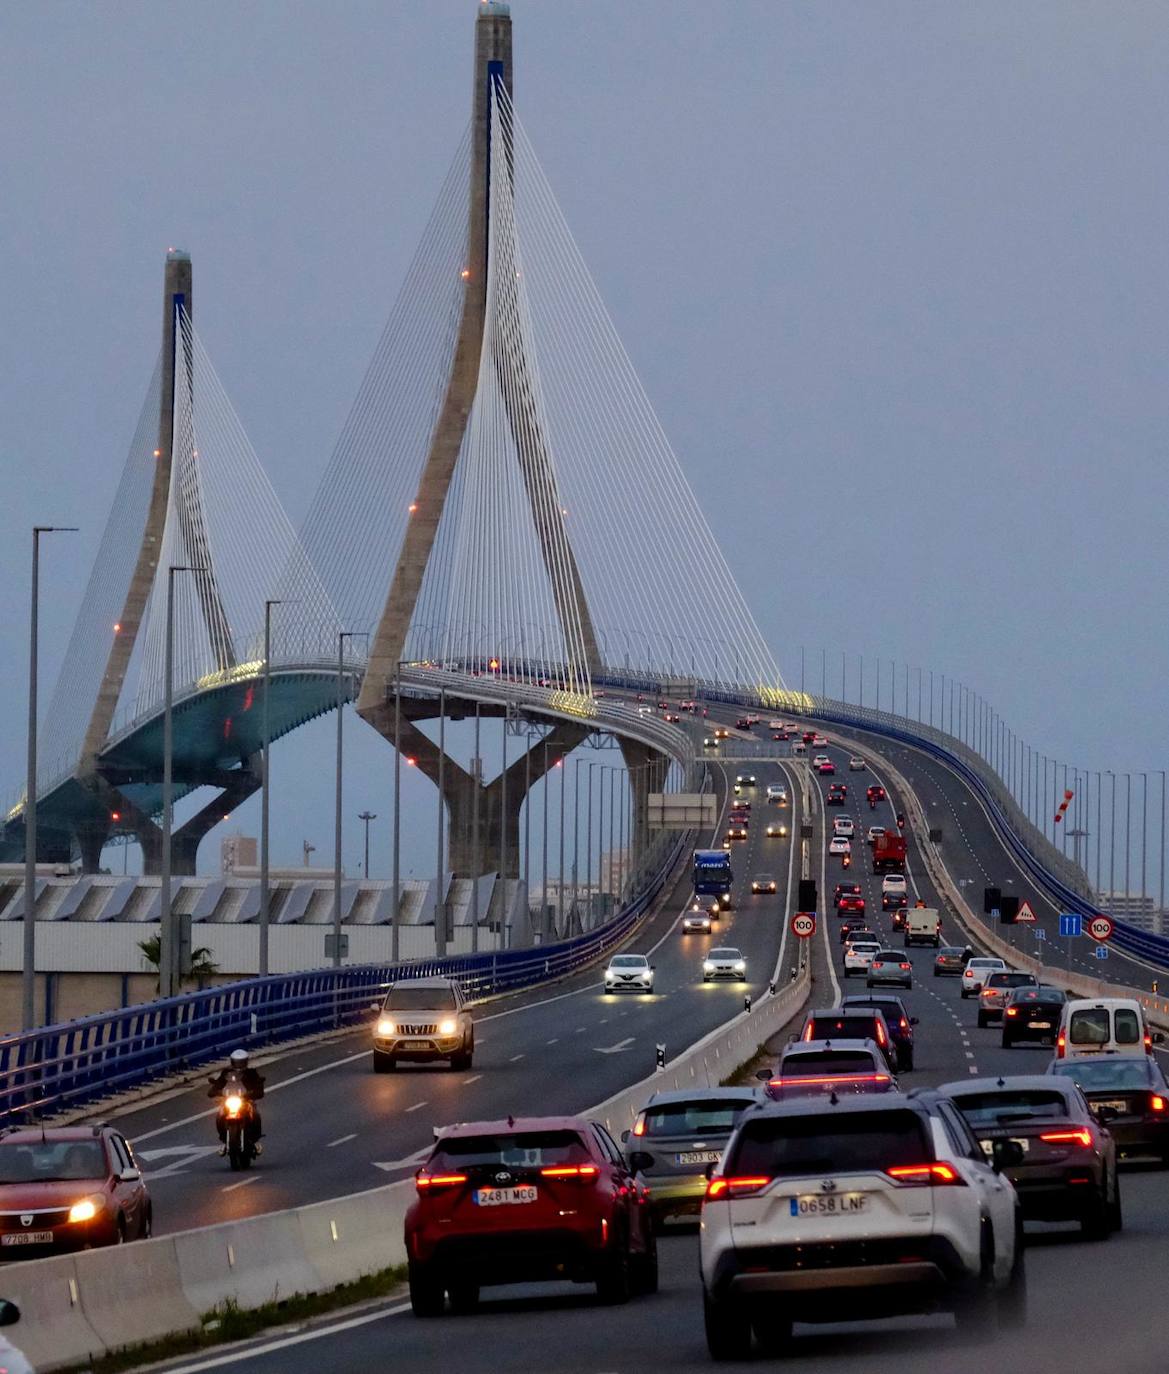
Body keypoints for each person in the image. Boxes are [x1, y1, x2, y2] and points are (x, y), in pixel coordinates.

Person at [208, 1048, 265, 1155]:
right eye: (237, 1062)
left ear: (246, 1061)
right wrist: (215, 1090)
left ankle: (255, 1140)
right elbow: (218, 1084)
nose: (239, 1065)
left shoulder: (251, 1073)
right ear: (232, 1061)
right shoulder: (226, 1073)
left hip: (245, 1101)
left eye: (241, 1062)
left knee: (256, 1115)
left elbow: (259, 1087)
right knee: (219, 1116)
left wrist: (255, 1090)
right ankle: (224, 1139)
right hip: (230, 1100)